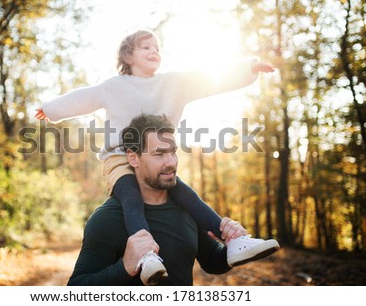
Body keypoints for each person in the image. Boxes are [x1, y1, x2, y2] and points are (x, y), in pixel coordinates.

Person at [36, 29, 280, 285]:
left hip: (155, 158)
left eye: (157, 48)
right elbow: (82, 98)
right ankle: (146, 255)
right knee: (130, 196)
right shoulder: (113, 86)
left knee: (188, 196)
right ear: (128, 56)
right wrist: (50, 109)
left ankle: (234, 240)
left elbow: (209, 78)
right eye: (145, 47)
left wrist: (248, 67)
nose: (154, 51)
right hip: (118, 158)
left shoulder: (174, 83)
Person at [68, 114, 249, 285]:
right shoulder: (107, 218)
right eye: (159, 154)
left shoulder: (187, 209)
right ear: (133, 158)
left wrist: (231, 245)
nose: (171, 162)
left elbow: (212, 261)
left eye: (173, 152)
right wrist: (125, 267)